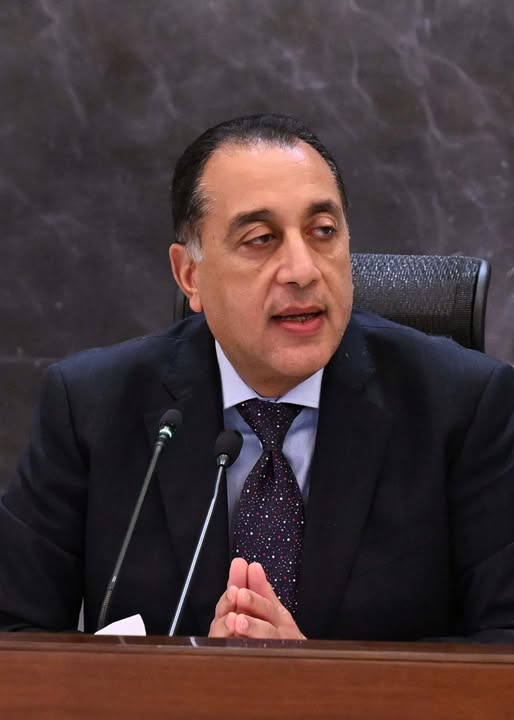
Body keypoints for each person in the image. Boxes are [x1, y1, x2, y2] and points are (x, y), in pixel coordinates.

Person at [1, 114, 514, 642]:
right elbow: (12, 634)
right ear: (190, 275)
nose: (302, 270)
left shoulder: (463, 408)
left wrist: (313, 678)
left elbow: (504, 645)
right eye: (261, 239)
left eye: (323, 232)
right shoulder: (92, 408)